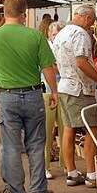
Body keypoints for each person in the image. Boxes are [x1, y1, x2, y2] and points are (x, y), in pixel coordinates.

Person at [0, 0, 59, 193]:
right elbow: (47, 68)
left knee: (10, 145)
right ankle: (38, 189)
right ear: (24, 14)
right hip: (33, 94)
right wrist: (54, 92)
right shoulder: (36, 37)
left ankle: (14, 191)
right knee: (36, 142)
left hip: (6, 96)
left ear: (4, 13)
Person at [52, 5, 97, 188]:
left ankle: (71, 172)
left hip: (65, 85)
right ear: (85, 18)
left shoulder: (61, 33)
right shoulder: (80, 34)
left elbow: (56, 63)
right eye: (92, 20)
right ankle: (92, 175)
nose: (92, 24)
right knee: (91, 130)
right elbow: (81, 62)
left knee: (69, 129)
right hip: (79, 88)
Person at [43, 21, 65, 179]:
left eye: (59, 34)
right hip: (48, 92)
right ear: (49, 34)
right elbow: (50, 67)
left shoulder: (63, 47)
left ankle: (66, 164)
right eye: (55, 34)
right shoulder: (46, 47)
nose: (57, 37)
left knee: (65, 131)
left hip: (63, 91)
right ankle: (44, 166)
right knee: (46, 132)